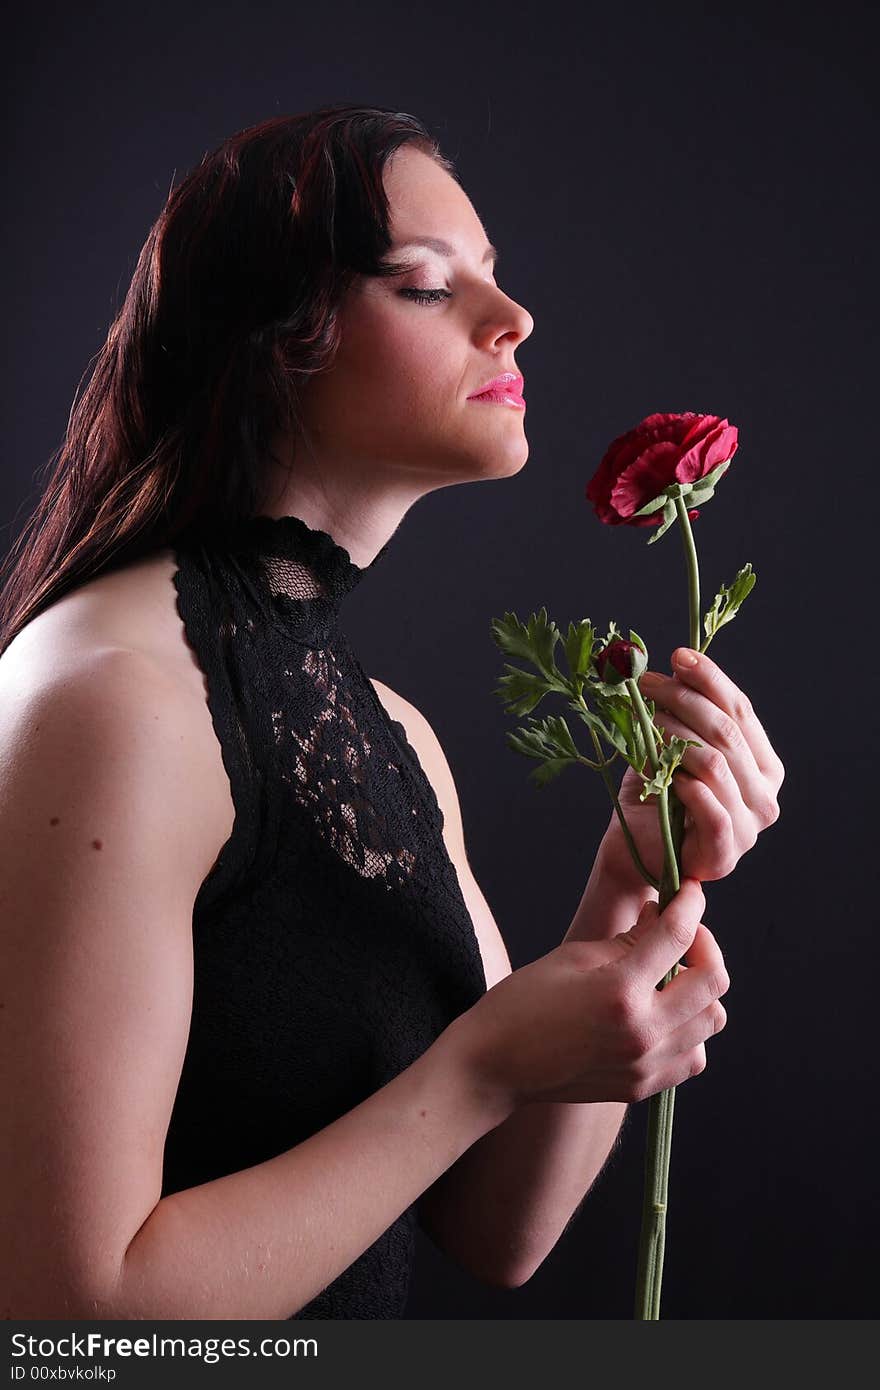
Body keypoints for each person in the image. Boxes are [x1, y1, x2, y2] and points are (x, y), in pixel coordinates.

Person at [0, 105, 784, 1320]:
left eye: (494, 273)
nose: (510, 316)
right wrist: (478, 1068)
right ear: (273, 338)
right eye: (427, 284)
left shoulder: (387, 731)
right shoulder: (112, 698)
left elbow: (493, 1225)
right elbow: (67, 1316)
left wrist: (626, 887)